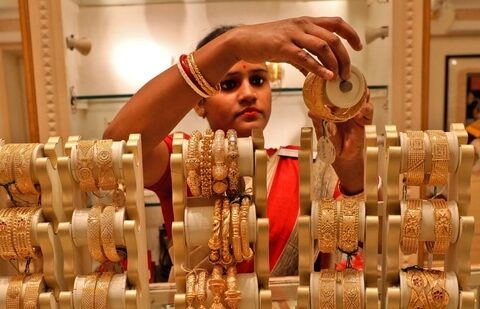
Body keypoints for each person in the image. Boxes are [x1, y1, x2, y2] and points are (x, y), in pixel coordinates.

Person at [103, 16, 373, 276]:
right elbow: (115, 150)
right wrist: (232, 44)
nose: (248, 94)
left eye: (258, 80)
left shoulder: (306, 169)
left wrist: (351, 168)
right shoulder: (184, 163)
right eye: (229, 84)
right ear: (198, 102)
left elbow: (372, 238)